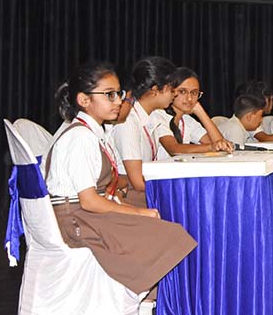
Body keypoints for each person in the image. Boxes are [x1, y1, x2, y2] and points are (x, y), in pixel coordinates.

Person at [45, 61, 196, 294]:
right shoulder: (81, 138)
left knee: (162, 229)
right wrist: (138, 212)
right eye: (110, 95)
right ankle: (141, 306)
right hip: (76, 221)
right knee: (166, 234)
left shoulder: (93, 132)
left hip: (84, 214)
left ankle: (144, 305)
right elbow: (89, 201)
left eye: (119, 94)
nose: (118, 101)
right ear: (84, 100)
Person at [111, 56, 177, 205]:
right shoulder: (128, 122)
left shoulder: (152, 116)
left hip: (142, 190)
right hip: (129, 194)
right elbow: (138, 183)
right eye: (171, 89)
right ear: (155, 90)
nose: (175, 94)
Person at [150, 67, 234, 155]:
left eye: (194, 93)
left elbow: (219, 144)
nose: (189, 98)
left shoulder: (186, 120)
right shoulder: (158, 115)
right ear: (171, 91)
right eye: (182, 92)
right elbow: (174, 149)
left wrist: (201, 113)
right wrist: (211, 147)